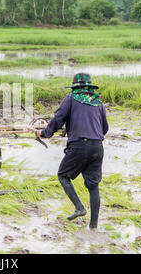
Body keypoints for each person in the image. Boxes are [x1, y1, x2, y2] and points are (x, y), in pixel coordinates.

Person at [37, 73, 108, 230]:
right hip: (98, 147)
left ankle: (79, 208)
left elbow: (58, 119)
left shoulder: (70, 98)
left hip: (80, 146)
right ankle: (93, 227)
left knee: (63, 175)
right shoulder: (98, 102)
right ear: (89, 87)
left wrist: (44, 133)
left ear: (75, 86)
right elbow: (105, 128)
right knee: (93, 186)